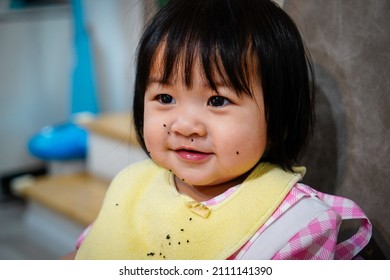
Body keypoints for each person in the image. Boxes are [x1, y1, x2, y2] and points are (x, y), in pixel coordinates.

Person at [72, 0, 372, 260]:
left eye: (217, 100)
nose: (185, 125)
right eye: (165, 98)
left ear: (277, 118)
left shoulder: (294, 224)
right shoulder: (132, 186)